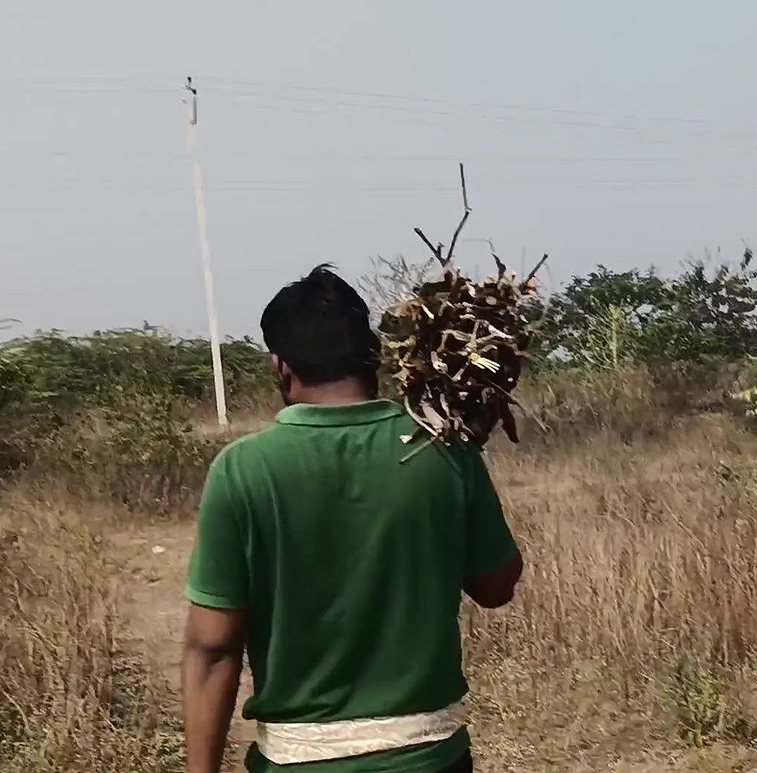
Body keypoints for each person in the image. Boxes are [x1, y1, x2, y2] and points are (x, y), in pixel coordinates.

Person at [183, 265, 523, 773]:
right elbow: (497, 587)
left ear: (281, 366)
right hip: (432, 759)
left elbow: (213, 647)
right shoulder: (443, 450)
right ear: (376, 355)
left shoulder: (244, 470)